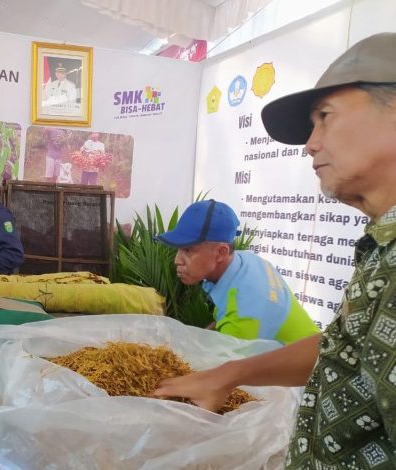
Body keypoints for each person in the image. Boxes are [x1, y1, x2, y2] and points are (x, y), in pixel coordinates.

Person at [152, 33, 396, 468]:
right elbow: (344, 349)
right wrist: (227, 376)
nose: (310, 144)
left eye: (325, 117)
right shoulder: (381, 245)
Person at [155, 199, 319, 344]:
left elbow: (221, 371)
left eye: (188, 250)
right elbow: (224, 317)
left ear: (221, 252)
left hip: (299, 374)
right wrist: (196, 338)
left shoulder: (243, 315)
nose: (177, 260)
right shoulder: (245, 261)